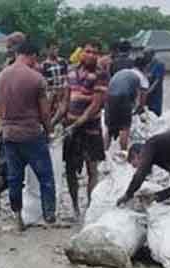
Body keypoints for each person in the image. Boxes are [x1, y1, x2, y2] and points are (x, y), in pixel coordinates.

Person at [0, 40, 57, 230]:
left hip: (9, 135)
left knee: (15, 178)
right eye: (35, 59)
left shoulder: (0, 77)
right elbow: (45, 113)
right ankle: (49, 215)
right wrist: (50, 132)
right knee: (45, 176)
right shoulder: (36, 79)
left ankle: (18, 217)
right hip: (31, 134)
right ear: (32, 55)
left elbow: (0, 107)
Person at [53, 41, 109, 219]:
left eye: (95, 52)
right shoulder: (70, 72)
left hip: (90, 128)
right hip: (70, 128)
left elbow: (96, 105)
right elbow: (64, 102)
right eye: (88, 51)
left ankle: (90, 208)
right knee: (70, 169)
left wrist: (77, 124)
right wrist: (52, 122)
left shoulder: (101, 75)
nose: (91, 55)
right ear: (81, 53)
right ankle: (76, 207)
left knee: (92, 168)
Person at [107, 56, 150, 153]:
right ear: (145, 67)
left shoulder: (125, 71)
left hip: (109, 96)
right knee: (125, 127)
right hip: (123, 97)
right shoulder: (142, 77)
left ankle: (104, 153)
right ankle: (124, 153)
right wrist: (139, 110)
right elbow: (143, 99)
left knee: (110, 128)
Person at [42, 45, 68, 117]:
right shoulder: (44, 65)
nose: (56, 51)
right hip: (51, 92)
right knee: (49, 110)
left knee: (63, 110)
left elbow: (66, 76)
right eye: (53, 49)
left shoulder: (63, 61)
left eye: (57, 48)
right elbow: (45, 81)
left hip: (63, 91)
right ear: (47, 50)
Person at [143, 50, 166, 117]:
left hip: (155, 92)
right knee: (146, 113)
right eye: (144, 55)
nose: (144, 57)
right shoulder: (147, 64)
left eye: (146, 55)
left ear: (152, 55)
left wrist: (149, 91)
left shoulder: (159, 64)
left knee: (155, 112)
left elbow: (157, 80)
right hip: (147, 92)